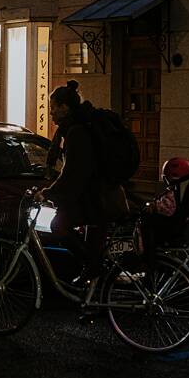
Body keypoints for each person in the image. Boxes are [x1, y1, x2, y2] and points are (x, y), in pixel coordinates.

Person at [35, 80, 126, 285]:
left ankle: (95, 269)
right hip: (99, 197)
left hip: (98, 200)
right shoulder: (76, 129)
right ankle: (95, 299)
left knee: (58, 225)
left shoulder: (77, 132)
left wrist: (49, 193)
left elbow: (74, 174)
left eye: (53, 108)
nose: (51, 114)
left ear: (64, 108)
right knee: (92, 251)